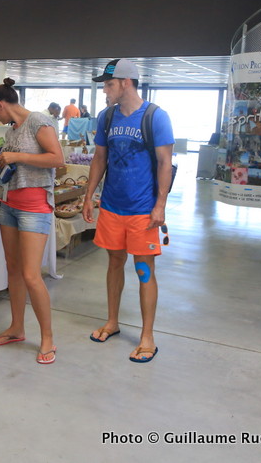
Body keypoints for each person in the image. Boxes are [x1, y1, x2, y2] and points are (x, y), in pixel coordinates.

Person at [82, 58, 174, 363]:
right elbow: (99, 158)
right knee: (113, 264)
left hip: (142, 211)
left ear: (126, 83)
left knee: (144, 270)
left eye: (109, 85)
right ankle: (112, 321)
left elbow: (164, 163)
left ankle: (147, 336)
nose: (105, 91)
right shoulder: (106, 117)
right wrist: (88, 195)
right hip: (111, 207)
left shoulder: (155, 117)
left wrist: (160, 205)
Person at [0, 78, 65, 364]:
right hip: (9, 204)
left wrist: (16, 155)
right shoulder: (12, 130)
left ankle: (47, 338)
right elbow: (15, 164)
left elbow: (57, 158)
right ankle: (16, 327)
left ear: (2, 104)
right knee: (14, 270)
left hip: (34, 207)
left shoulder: (38, 121)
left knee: (31, 275)